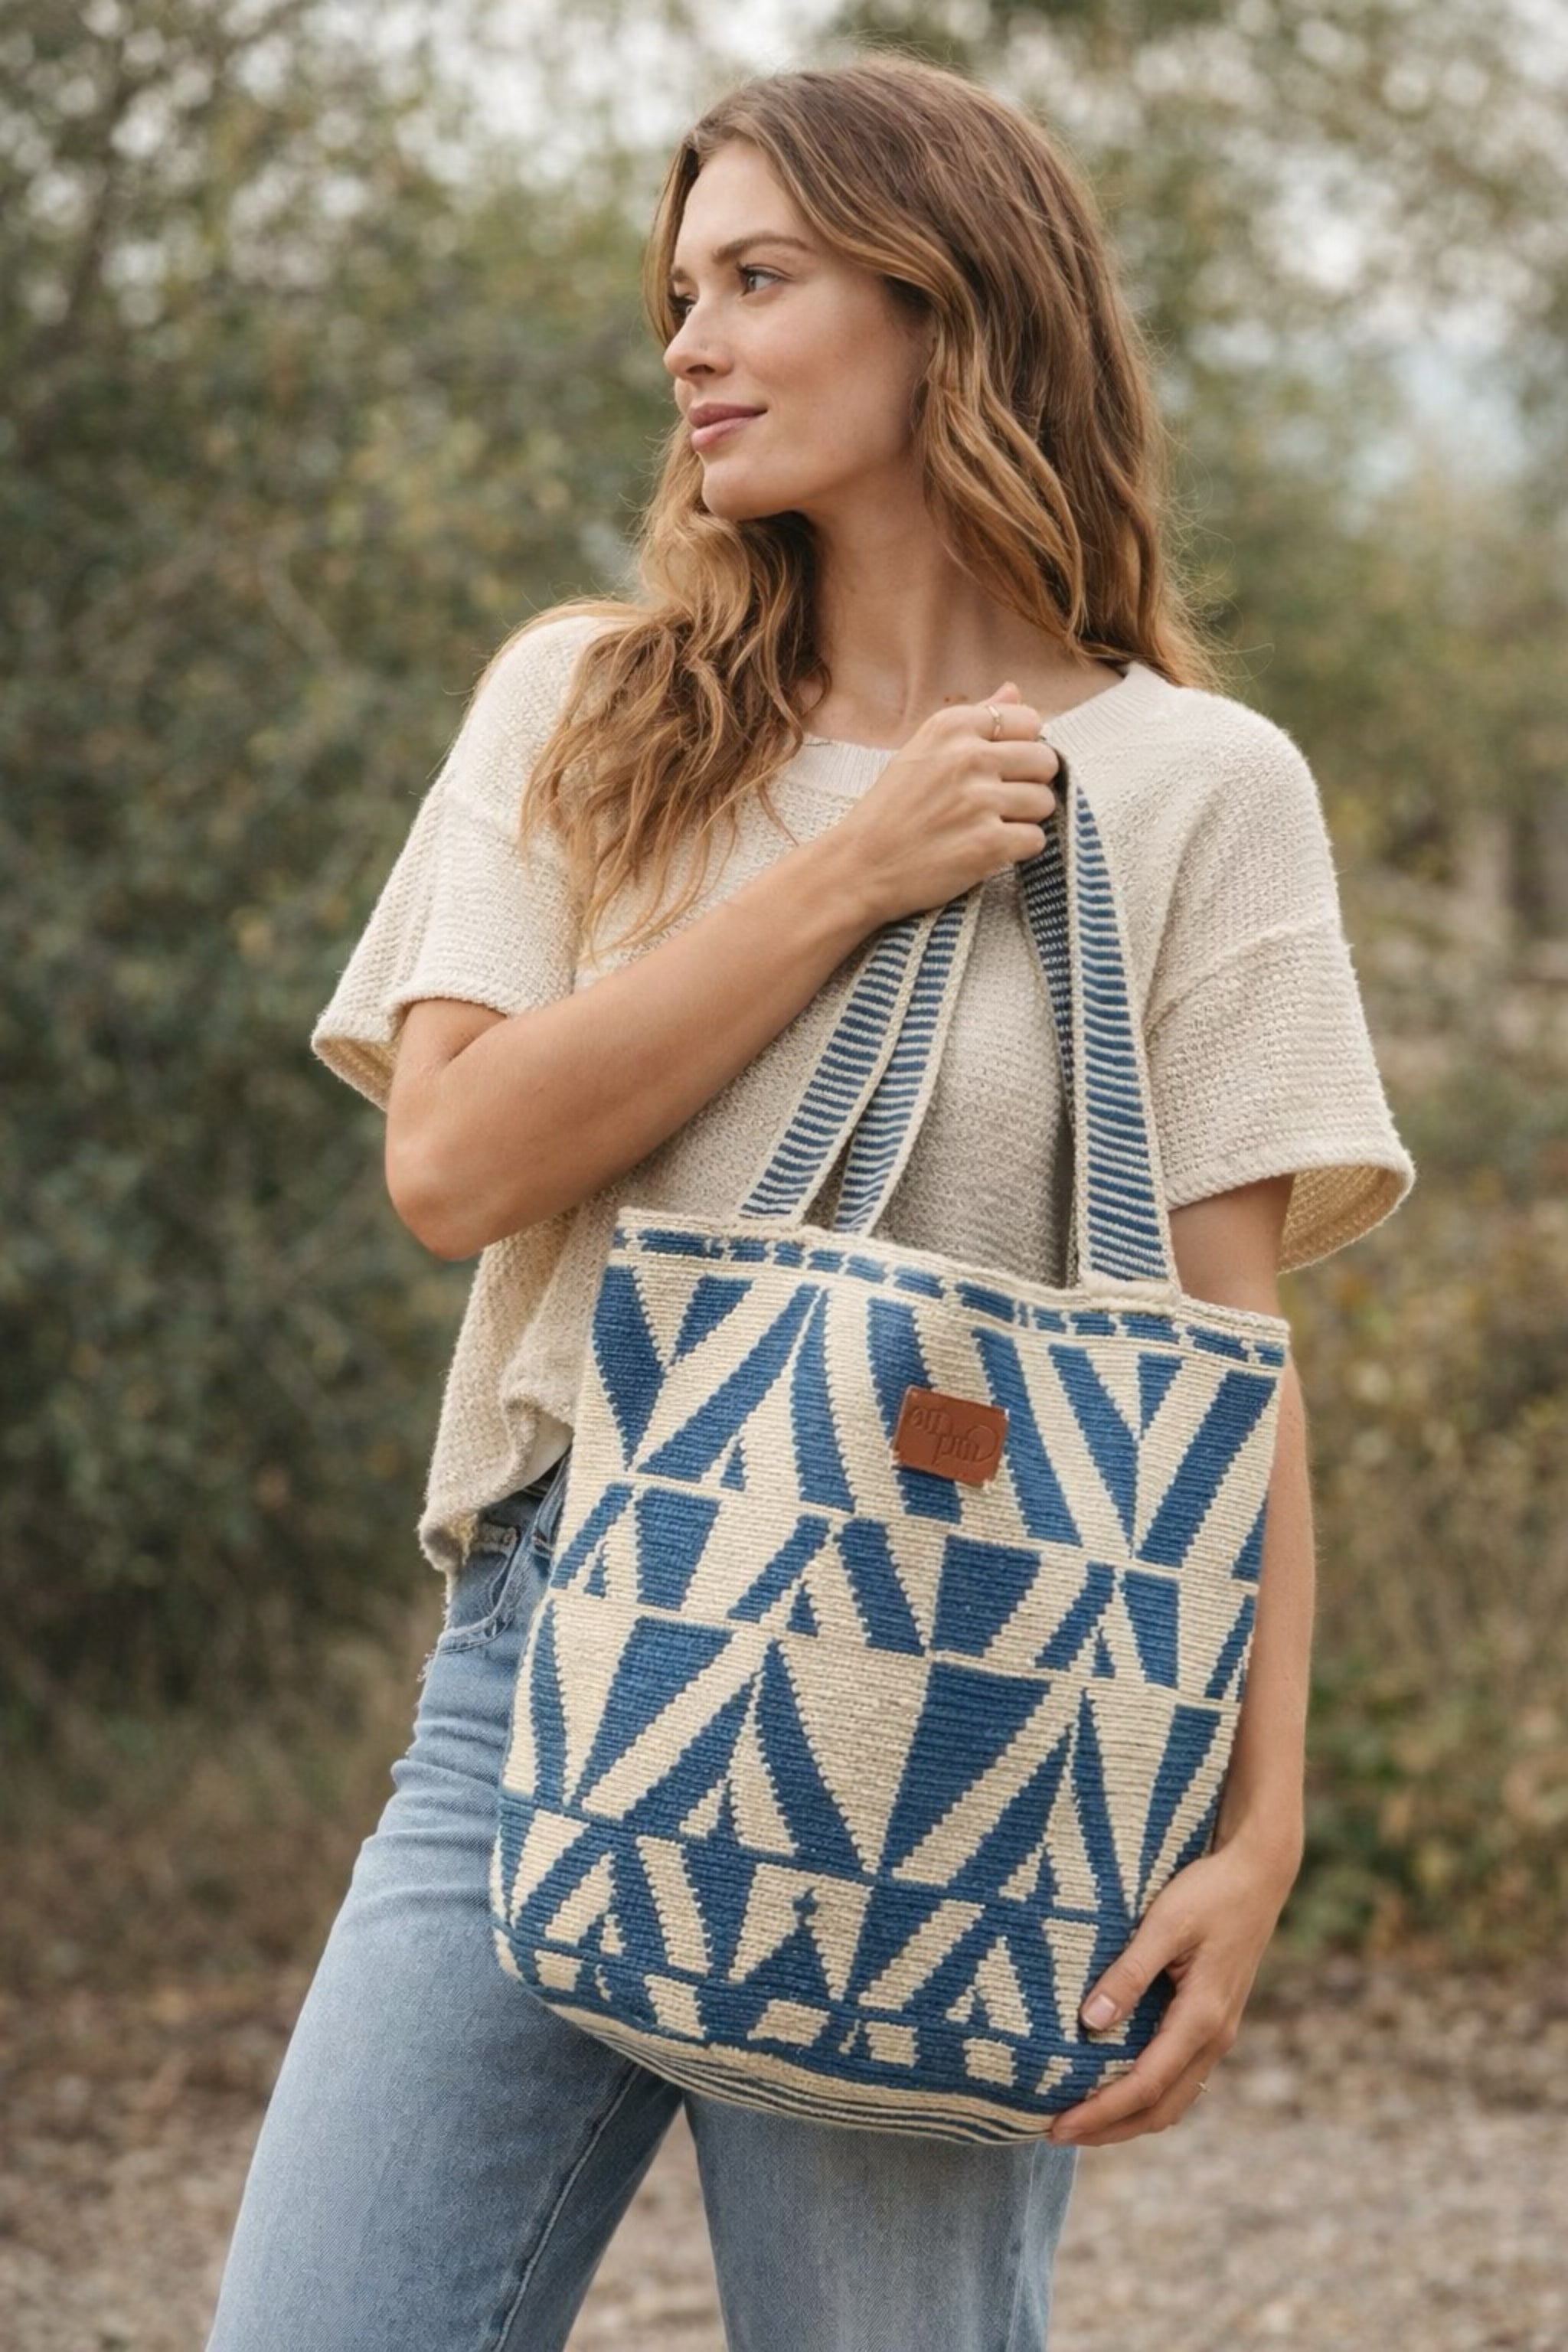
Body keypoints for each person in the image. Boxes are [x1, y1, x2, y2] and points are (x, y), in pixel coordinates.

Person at [204, 52, 1414, 2352]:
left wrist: (1257, 1834)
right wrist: (852, 876)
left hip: (969, 1713)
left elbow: (1229, 1360)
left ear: (950, 308)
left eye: (759, 280)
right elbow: (452, 1165)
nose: (692, 343)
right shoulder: (586, 703)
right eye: (681, 293)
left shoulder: (1198, 788)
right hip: (550, 1656)